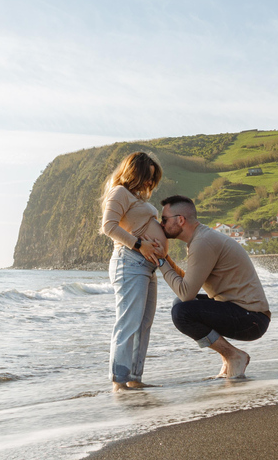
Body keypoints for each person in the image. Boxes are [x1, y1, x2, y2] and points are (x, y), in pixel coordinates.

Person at [154, 195, 271, 378]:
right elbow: (189, 283)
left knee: (182, 312)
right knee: (180, 305)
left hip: (251, 319)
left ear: (181, 220)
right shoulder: (201, 238)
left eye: (164, 220)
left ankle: (233, 355)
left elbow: (186, 293)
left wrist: (160, 261)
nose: (161, 224)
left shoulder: (202, 242)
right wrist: (166, 259)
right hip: (247, 314)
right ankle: (229, 357)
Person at [100, 152, 167, 391]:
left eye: (152, 179)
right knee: (128, 322)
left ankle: (134, 378)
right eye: (147, 177)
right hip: (129, 261)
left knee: (144, 323)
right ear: (133, 173)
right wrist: (140, 244)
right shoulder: (119, 192)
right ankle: (119, 382)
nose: (150, 183)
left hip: (147, 266)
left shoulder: (135, 198)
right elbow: (108, 226)